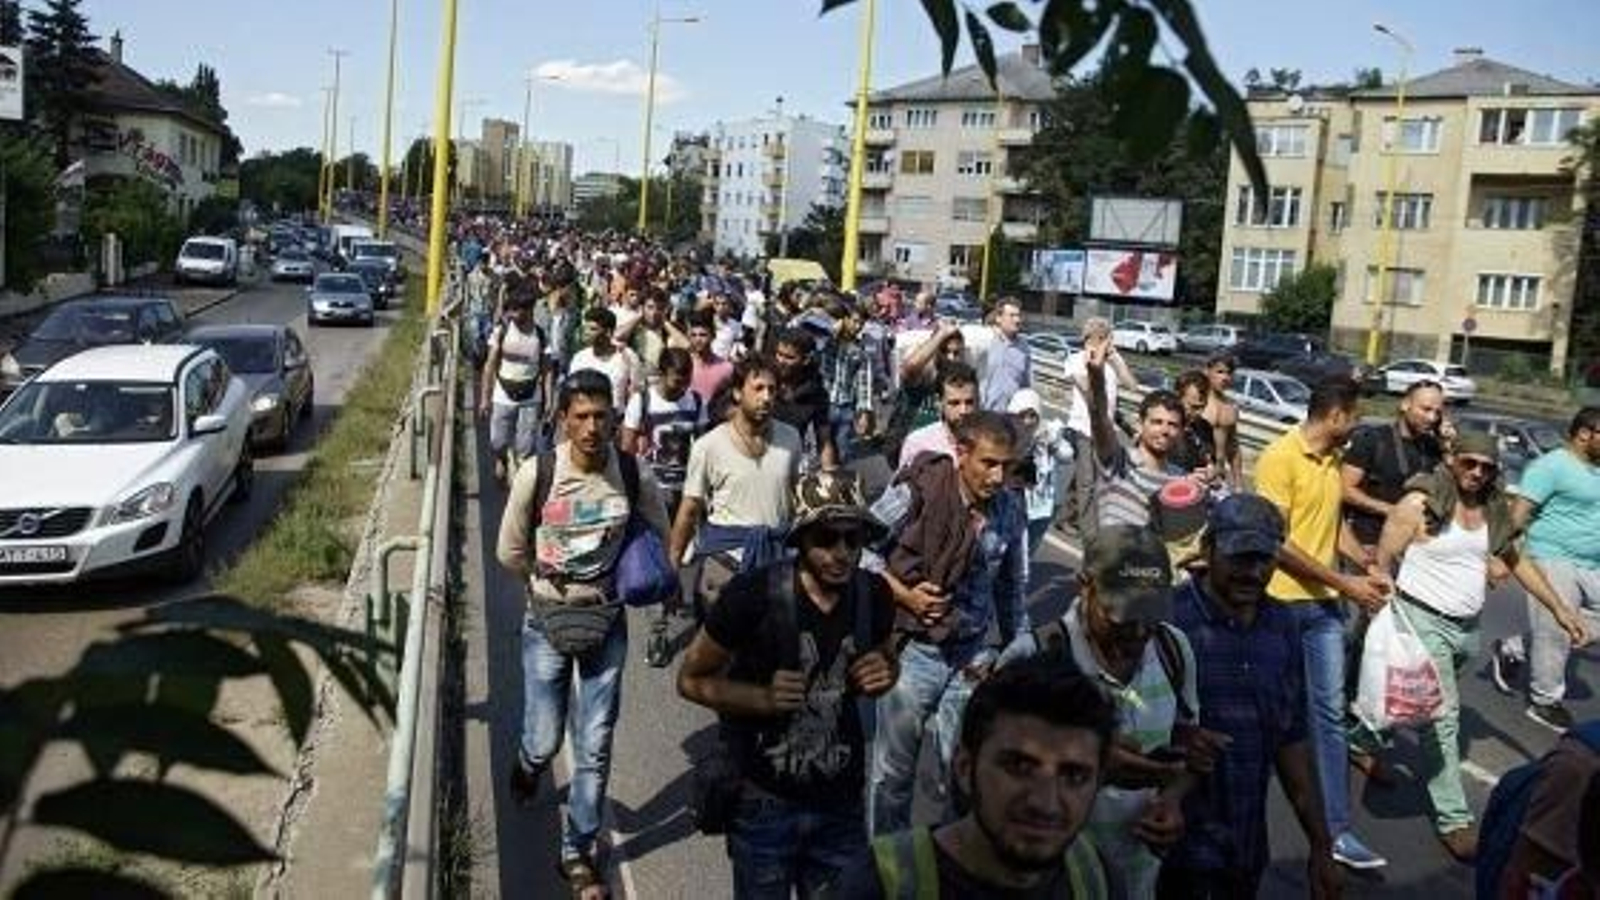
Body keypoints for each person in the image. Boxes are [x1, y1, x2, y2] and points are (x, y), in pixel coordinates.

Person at [677, 470, 900, 899]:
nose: (842, 554)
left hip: (841, 805)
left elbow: (887, 657)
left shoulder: (875, 595)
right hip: (764, 804)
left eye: (852, 541)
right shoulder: (751, 596)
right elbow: (690, 679)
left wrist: (887, 671)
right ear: (800, 541)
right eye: (827, 540)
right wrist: (760, 698)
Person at [1369, 430, 1591, 862]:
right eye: (1469, 463)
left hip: (1466, 629)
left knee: (1413, 702)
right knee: (1441, 716)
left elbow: (1516, 561)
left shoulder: (1492, 509)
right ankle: (1453, 818)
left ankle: (1361, 738)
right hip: (1419, 620)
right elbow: (1384, 556)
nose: (1476, 473)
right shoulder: (1420, 503)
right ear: (1453, 460)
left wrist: (1560, 608)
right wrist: (1378, 600)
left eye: (1486, 467)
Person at [495, 369, 672, 900]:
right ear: (565, 420)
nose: (593, 427)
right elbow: (509, 552)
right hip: (547, 619)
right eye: (582, 417)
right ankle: (527, 768)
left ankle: (577, 852)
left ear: (614, 418)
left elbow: (659, 535)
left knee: (594, 746)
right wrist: (549, 584)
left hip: (607, 621)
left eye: (602, 416)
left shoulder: (635, 475)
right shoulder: (538, 473)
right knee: (545, 738)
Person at [1001, 525, 1202, 898]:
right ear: (1084, 586)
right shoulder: (1032, 659)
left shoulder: (1175, 650)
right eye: (1123, 614)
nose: (1140, 631)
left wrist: (1173, 800)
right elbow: (977, 789)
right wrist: (1085, 767)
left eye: (1150, 612)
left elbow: (1185, 750)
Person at [1165, 494, 1342, 899]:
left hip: (1244, 851)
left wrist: (1321, 846)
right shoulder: (1169, 621)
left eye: (1265, 560)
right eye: (1241, 559)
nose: (1254, 572)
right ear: (1208, 551)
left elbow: (1292, 740)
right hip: (1171, 849)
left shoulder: (1282, 625)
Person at [864, 411, 1029, 836]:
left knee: (964, 778)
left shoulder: (1010, 509)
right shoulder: (918, 492)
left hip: (972, 658)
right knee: (892, 778)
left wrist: (1019, 647)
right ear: (961, 453)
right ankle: (885, 869)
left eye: (1007, 466)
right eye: (988, 464)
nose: (998, 476)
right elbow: (858, 552)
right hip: (914, 654)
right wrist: (904, 595)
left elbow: (1011, 586)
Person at [1254, 377, 1393, 871]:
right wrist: (1345, 582)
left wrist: (1366, 568)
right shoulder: (1278, 457)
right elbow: (1277, 544)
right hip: (1280, 607)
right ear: (1335, 416)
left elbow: (1332, 526)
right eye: (1354, 416)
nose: (1357, 425)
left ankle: (1336, 832)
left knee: (1329, 717)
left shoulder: (1333, 460)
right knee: (1267, 717)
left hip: (1325, 609)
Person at [842, 659, 1119, 899]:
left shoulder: (1096, 878)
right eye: (1019, 767)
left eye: (1073, 776)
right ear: (964, 767)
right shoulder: (880, 885)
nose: (1044, 802)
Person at [1491, 406, 1600, 732]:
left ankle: (1513, 645)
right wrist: (1499, 555)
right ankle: (1545, 700)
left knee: (1569, 627)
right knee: (1555, 629)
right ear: (1584, 434)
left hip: (1592, 563)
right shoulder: (1550, 466)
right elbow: (1518, 513)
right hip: (1551, 557)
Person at [669, 357, 803, 614]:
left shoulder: (791, 437)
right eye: (758, 388)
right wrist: (673, 564)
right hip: (725, 562)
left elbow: (797, 497)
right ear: (738, 392)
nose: (766, 397)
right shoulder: (708, 446)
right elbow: (690, 508)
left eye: (772, 390)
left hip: (777, 562)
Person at [621, 346, 705, 668]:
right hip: (652, 494)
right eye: (676, 381)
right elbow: (627, 449)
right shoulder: (641, 402)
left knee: (685, 558)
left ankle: (680, 599)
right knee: (661, 561)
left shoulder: (696, 402)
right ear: (662, 373)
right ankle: (658, 632)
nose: (681, 387)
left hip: (688, 494)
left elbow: (704, 445)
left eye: (687, 380)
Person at [1084, 337, 1189, 532]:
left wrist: (1206, 487)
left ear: (1181, 432)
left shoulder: (1180, 480)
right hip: (1111, 560)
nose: (1165, 430)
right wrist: (1096, 376)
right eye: (1157, 422)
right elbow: (1098, 416)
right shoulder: (1117, 460)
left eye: (1173, 425)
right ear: (1140, 424)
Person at [1341, 380, 1449, 559]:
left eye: (1438, 412)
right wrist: (1392, 510)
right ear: (1405, 405)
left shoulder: (1433, 447)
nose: (1432, 418)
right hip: (1368, 543)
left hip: (1413, 548)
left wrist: (1446, 444)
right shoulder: (1373, 439)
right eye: (1426, 409)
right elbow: (1345, 489)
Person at [1065, 318, 1139, 540]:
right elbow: (1087, 387)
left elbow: (1132, 385)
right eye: (1102, 338)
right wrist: (1093, 362)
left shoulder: (1111, 364)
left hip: (1106, 432)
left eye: (1107, 337)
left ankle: (1065, 517)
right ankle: (1090, 535)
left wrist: (1115, 358)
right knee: (1087, 481)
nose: (1107, 342)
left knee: (1098, 478)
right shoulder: (1075, 360)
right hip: (1083, 428)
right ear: (1090, 339)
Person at [479, 288, 553, 484]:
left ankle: (521, 485)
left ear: (530, 310)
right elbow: (490, 365)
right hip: (503, 394)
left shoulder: (540, 335)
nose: (515, 315)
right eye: (512, 310)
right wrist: (485, 399)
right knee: (498, 441)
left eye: (520, 310)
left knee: (526, 446)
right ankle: (501, 457)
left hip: (530, 396)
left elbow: (547, 370)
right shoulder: (501, 331)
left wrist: (548, 401)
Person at [883, 321, 966, 468]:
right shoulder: (924, 376)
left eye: (956, 353)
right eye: (945, 351)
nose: (951, 358)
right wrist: (941, 333)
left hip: (942, 455)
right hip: (910, 452)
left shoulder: (962, 382)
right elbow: (910, 367)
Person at [1006, 388, 1075, 562]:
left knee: (1027, 552)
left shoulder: (1046, 433)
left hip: (1042, 506)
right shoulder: (1005, 435)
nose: (1028, 421)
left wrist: (1055, 442)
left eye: (1033, 415)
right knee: (1007, 550)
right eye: (1023, 415)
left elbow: (1067, 455)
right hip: (1014, 505)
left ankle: (1019, 581)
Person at [772, 328, 839, 473]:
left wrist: (829, 474)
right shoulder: (764, 380)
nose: (781, 361)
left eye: (789, 357)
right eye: (779, 354)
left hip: (791, 465)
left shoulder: (816, 392)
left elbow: (824, 438)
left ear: (805, 360)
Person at [818, 301, 877, 465]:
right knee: (820, 452)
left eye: (861, 323)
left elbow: (864, 383)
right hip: (823, 406)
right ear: (844, 319)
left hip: (846, 409)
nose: (857, 326)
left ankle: (838, 488)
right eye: (855, 321)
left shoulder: (860, 352)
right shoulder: (826, 340)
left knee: (842, 454)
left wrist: (864, 412)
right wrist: (832, 331)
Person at [895, 362, 978, 471]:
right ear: (938, 402)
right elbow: (902, 486)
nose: (963, 411)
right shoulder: (918, 444)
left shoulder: (989, 442)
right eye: (954, 403)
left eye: (969, 402)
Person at [569, 307, 645, 413]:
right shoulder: (579, 358)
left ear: (608, 332)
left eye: (593, 329)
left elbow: (637, 393)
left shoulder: (627, 356)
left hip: (617, 421)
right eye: (585, 328)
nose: (586, 332)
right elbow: (571, 393)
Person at [967, 297, 1031, 412]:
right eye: (1012, 315)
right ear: (998, 318)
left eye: (1019, 315)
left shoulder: (1023, 348)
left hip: (1009, 417)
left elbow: (1025, 385)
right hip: (982, 412)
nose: (1017, 320)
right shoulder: (985, 340)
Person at [1200, 354, 1244, 491]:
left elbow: (1233, 447)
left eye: (1229, 373)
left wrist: (1238, 484)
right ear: (1207, 371)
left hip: (1219, 477)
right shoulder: (1195, 402)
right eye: (1220, 372)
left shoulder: (1231, 407)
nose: (1225, 378)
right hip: (1194, 471)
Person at [685, 310, 734, 410]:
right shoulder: (684, 364)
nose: (698, 339)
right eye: (694, 335)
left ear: (713, 336)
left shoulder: (726, 368)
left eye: (703, 335)